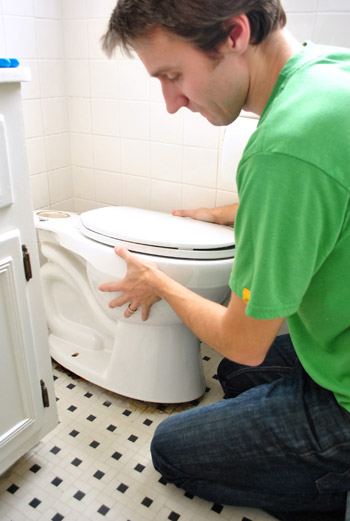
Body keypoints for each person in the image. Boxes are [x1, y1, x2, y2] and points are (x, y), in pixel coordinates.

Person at [99, 1, 350, 520]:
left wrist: (158, 281)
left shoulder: (282, 149)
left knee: (172, 447)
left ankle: (333, 485)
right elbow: (328, 190)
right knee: (231, 374)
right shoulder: (328, 74)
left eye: (173, 75)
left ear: (234, 33)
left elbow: (246, 341)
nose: (171, 102)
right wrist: (231, 213)